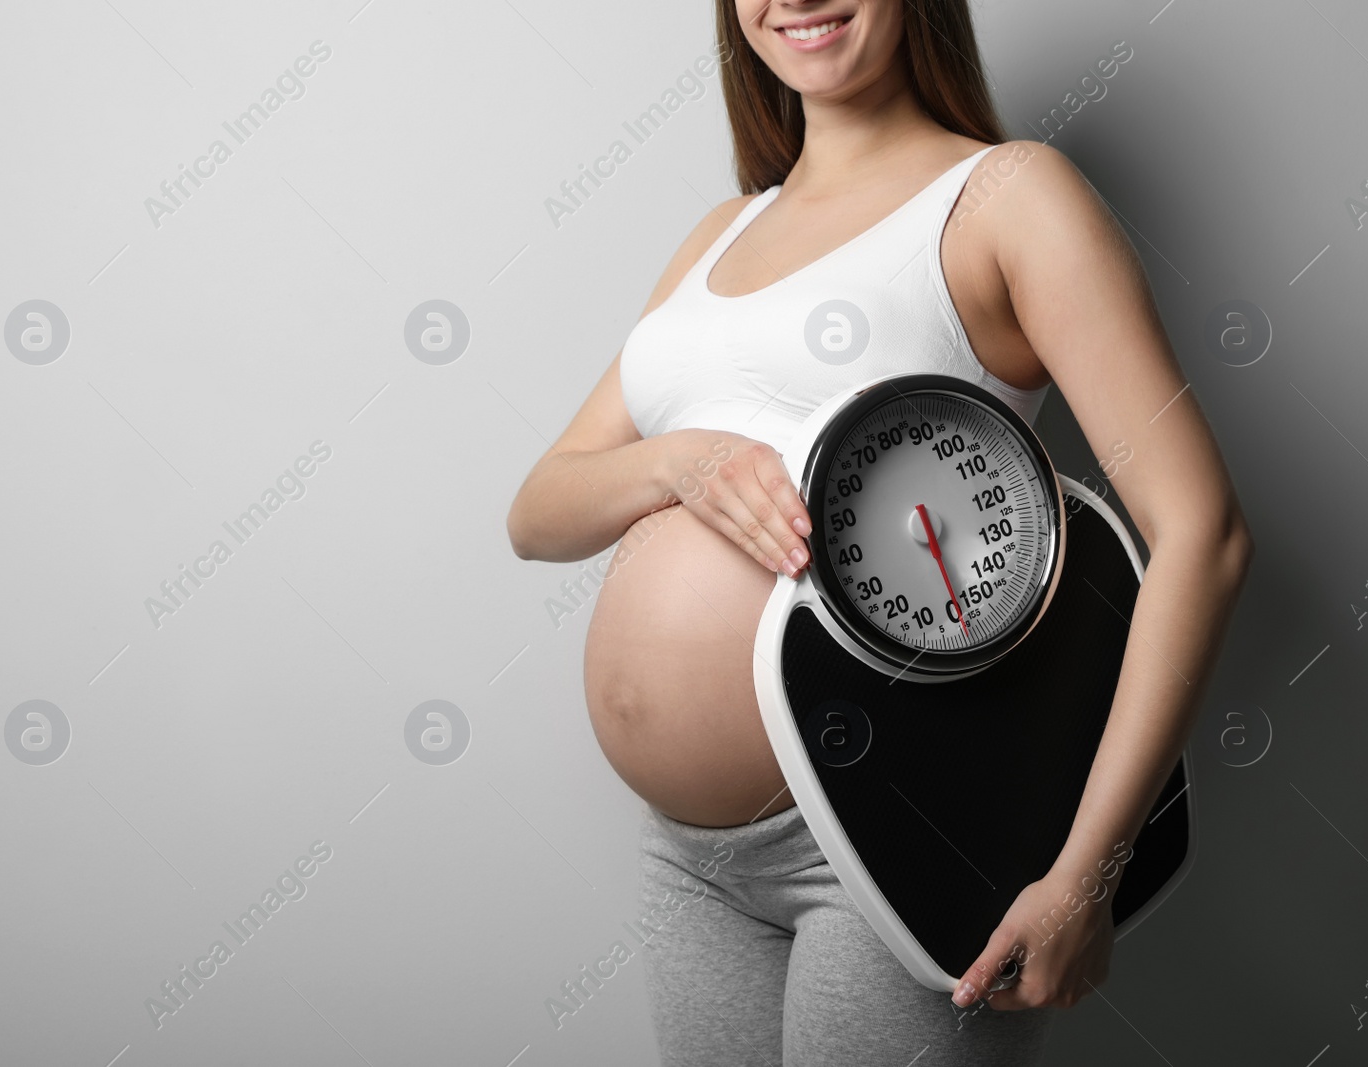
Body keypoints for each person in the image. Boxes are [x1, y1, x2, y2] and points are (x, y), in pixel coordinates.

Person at [506, 1, 1253, 1063]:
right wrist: (683, 460)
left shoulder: (1004, 195)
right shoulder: (717, 234)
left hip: (896, 830)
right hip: (689, 857)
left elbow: (1203, 533)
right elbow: (538, 512)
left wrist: (1087, 874)